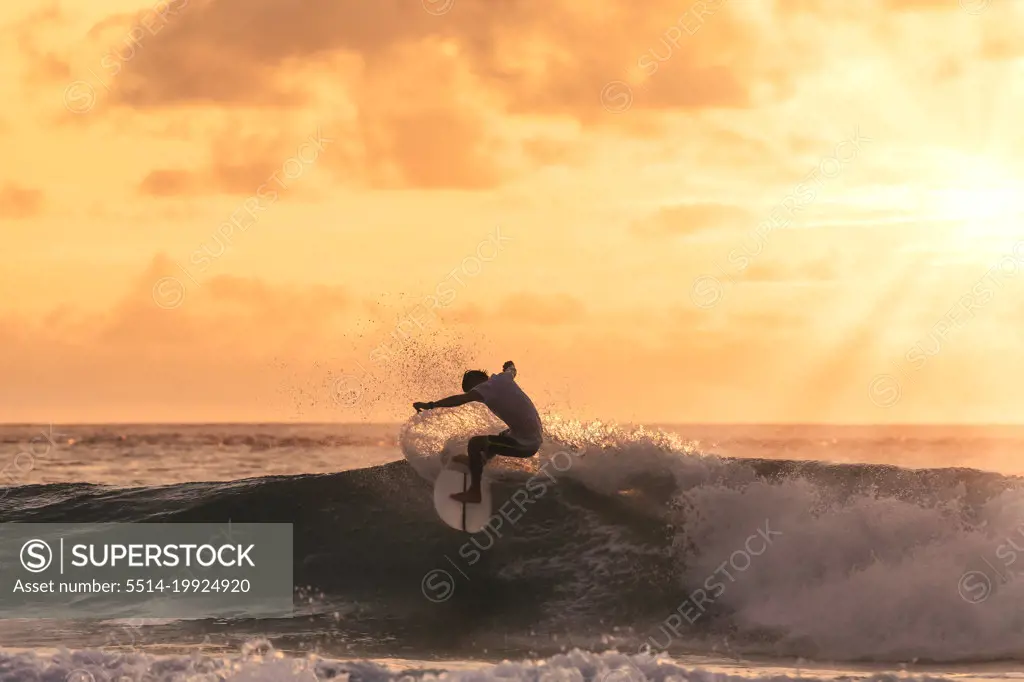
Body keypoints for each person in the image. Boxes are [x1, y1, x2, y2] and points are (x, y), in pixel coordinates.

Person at [413, 361, 543, 503]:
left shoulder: (485, 388)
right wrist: (509, 366)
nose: (475, 395)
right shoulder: (503, 377)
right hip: (529, 436)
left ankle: (475, 493)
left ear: (475, 382)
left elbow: (460, 399)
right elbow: (512, 370)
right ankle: (480, 461)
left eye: (471, 390)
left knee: (475, 443)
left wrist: (430, 405)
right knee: (502, 435)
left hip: (527, 444)